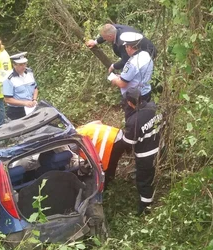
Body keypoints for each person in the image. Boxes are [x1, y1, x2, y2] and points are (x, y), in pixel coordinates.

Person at [122, 88, 162, 216]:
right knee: (150, 173)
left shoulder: (133, 121)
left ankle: (145, 207)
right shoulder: (154, 107)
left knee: (143, 181)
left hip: (146, 156)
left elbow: (128, 143)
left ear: (129, 102)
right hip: (160, 149)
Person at [109, 32, 154, 119]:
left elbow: (122, 84)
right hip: (146, 92)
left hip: (134, 98)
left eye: (126, 47)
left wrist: (114, 79)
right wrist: (121, 76)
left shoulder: (131, 63)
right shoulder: (146, 55)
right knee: (145, 117)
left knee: (132, 120)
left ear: (129, 47)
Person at [76, 121, 131, 189]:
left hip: (113, 143)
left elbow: (88, 159)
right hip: (118, 133)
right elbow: (98, 122)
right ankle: (110, 182)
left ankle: (107, 186)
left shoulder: (75, 143)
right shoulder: (80, 129)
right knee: (110, 164)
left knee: (107, 166)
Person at [86, 23, 156, 73]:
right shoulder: (114, 28)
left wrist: (114, 66)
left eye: (105, 38)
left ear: (110, 36)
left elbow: (126, 60)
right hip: (139, 50)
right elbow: (106, 34)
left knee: (135, 73)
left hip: (147, 52)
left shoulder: (123, 43)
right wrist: (95, 42)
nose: (105, 39)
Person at [2, 52, 39, 120]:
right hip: (16, 111)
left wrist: (34, 99)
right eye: (20, 65)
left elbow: (35, 88)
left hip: (31, 107)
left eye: (25, 64)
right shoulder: (9, 79)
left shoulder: (29, 73)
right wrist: (25, 103)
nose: (24, 67)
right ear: (14, 65)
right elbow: (7, 99)